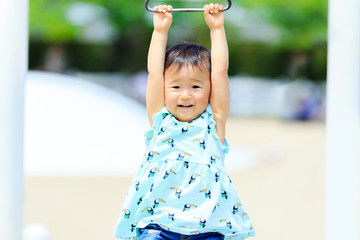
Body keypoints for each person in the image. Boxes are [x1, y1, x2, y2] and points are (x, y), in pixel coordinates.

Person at [113, 3, 255, 240]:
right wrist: (159, 32)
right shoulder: (160, 121)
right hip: (157, 226)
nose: (185, 94)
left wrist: (217, 29)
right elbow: (155, 73)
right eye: (176, 86)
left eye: (196, 86)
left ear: (209, 89)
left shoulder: (213, 124)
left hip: (207, 228)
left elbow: (220, 72)